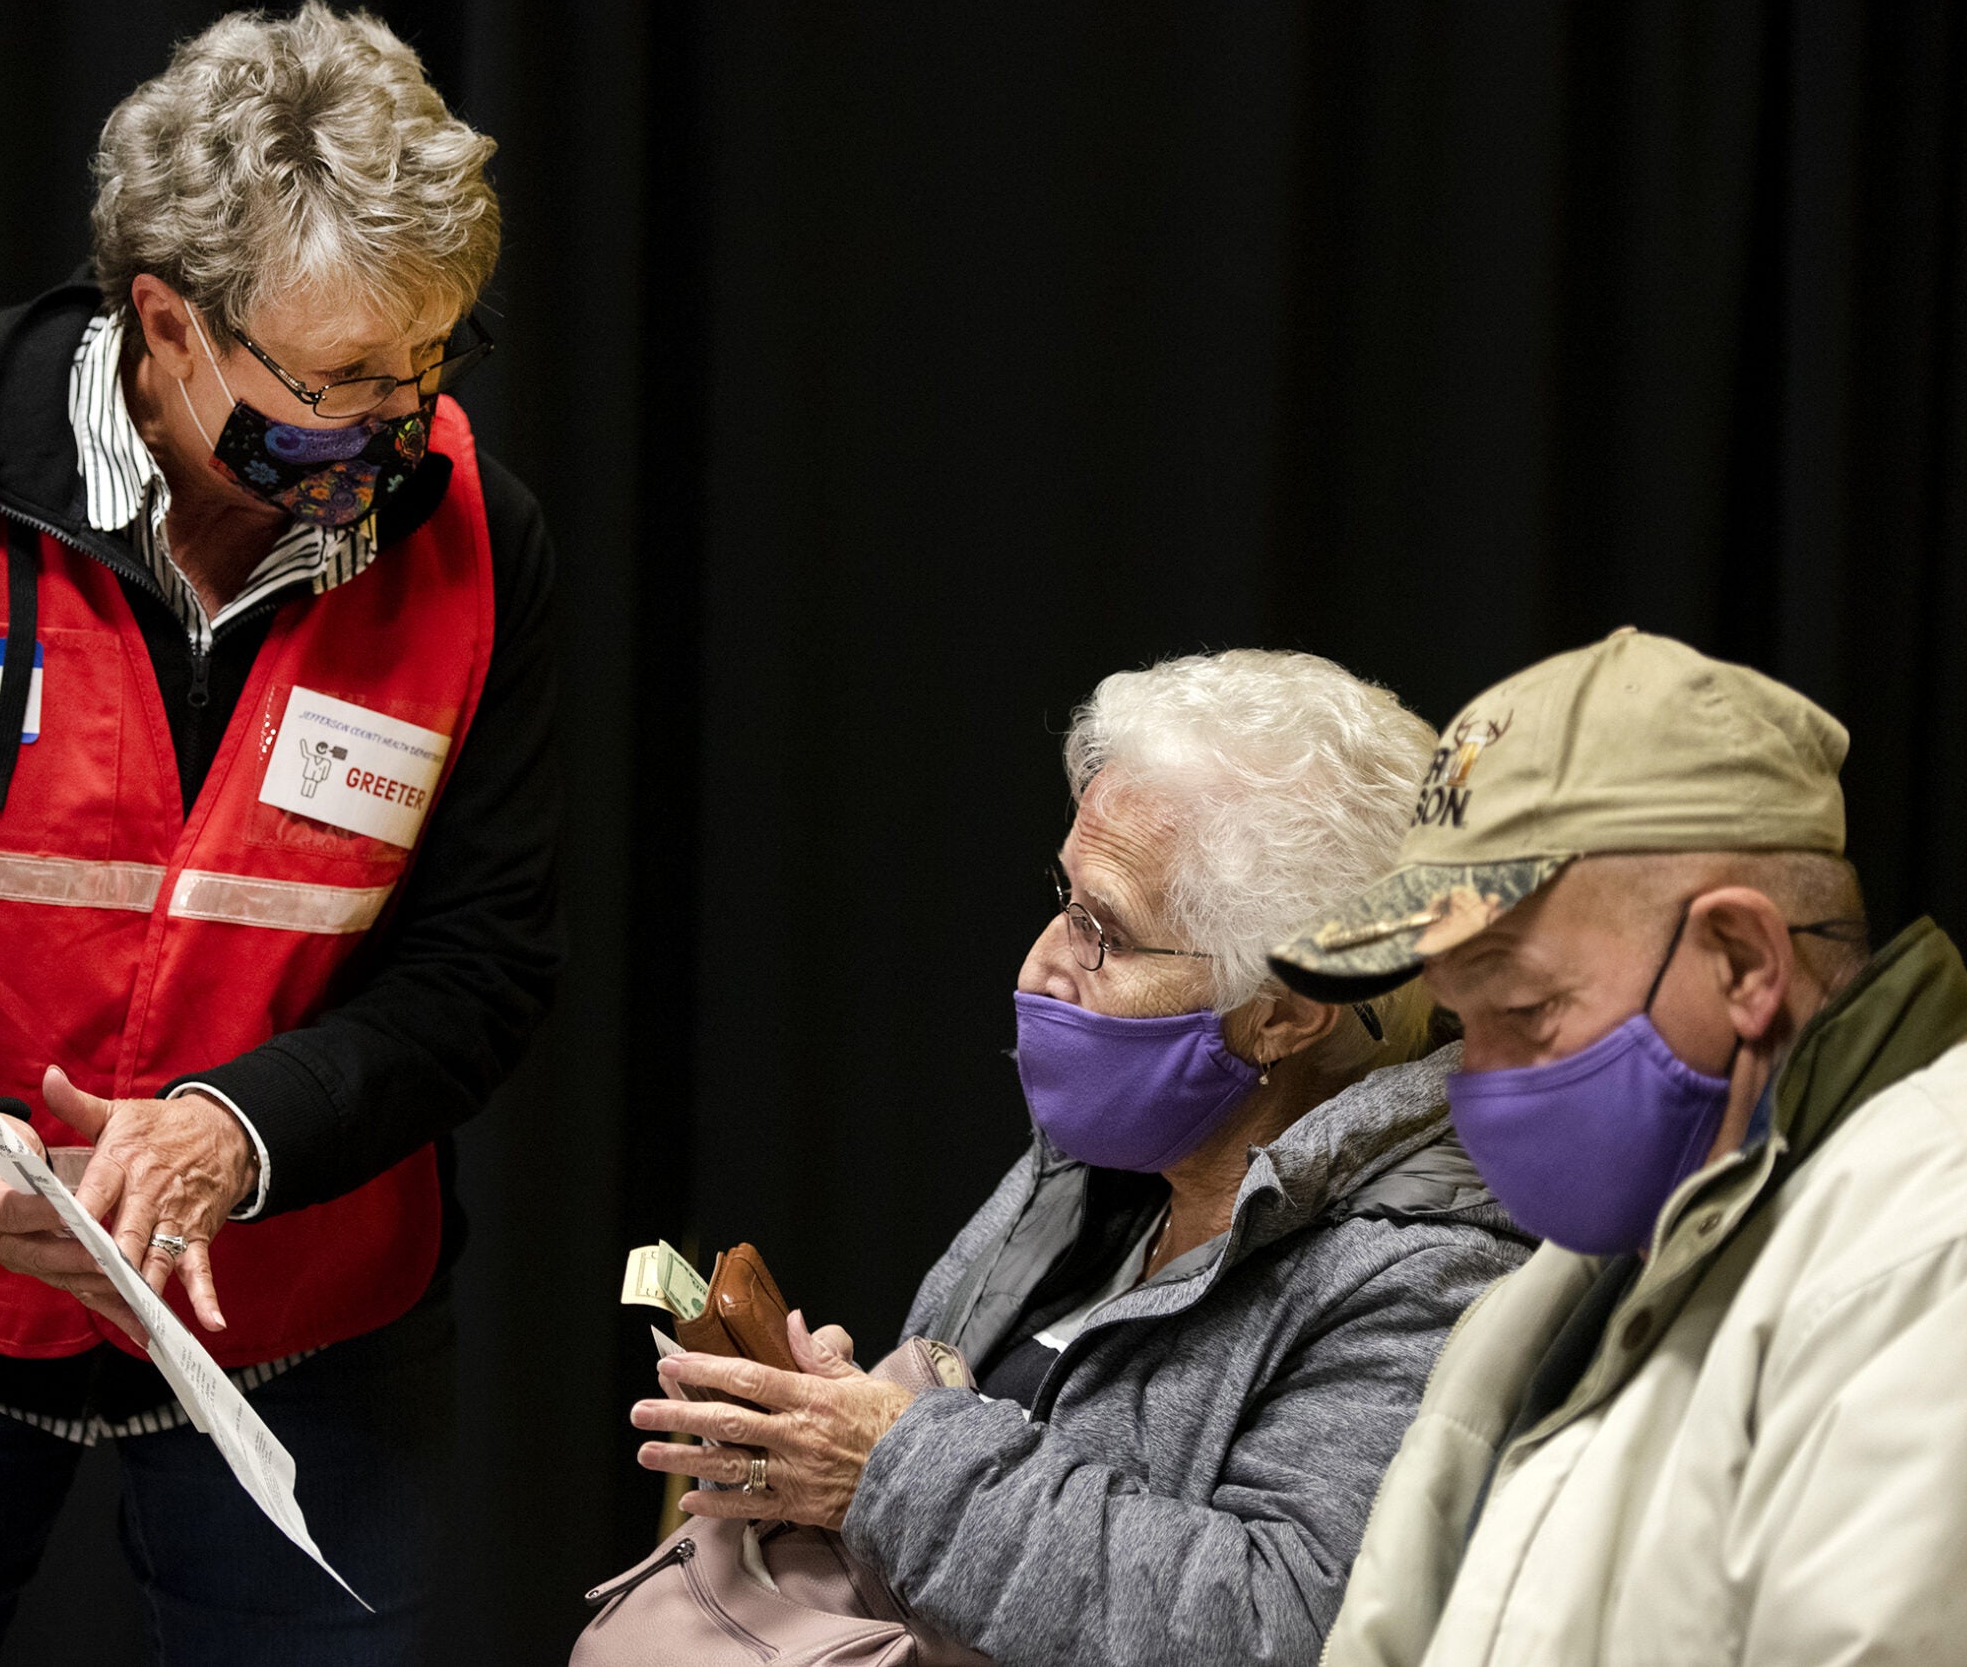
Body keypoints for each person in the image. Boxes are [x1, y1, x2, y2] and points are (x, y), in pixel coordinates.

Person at [0, 2, 560, 1664]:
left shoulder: (475, 535)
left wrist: (244, 1128)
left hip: (309, 1330)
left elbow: (484, 962)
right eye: (337, 380)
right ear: (165, 321)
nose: (397, 429)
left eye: (430, 362)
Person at [630, 649, 1536, 1666]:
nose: (1039, 964)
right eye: (1064, 898)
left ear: (1284, 1012)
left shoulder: (1431, 1272)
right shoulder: (1106, 1169)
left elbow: (1279, 1624)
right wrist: (830, 1425)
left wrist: (888, 1461)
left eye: (1101, 931)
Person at [1271, 628, 1967, 1667]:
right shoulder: (1567, 1281)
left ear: (1741, 959)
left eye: (1525, 1007)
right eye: (1459, 1018)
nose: (1475, 1079)